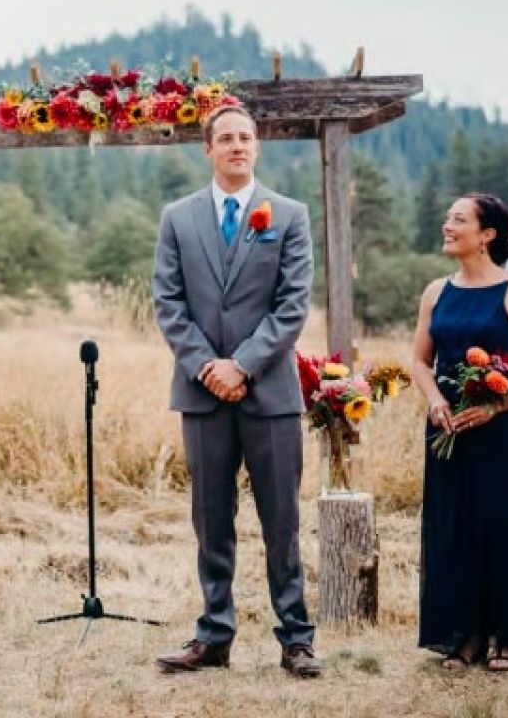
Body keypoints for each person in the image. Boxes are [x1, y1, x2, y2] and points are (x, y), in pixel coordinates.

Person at [151, 104, 320, 678]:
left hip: (270, 392)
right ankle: (214, 635)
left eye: (246, 137)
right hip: (202, 395)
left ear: (258, 146)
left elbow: (293, 304)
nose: (237, 146)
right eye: (226, 138)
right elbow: (168, 304)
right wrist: (207, 367)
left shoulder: (290, 215)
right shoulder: (177, 217)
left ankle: (296, 639)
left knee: (282, 521)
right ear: (208, 149)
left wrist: (242, 365)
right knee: (211, 520)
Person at [412, 193, 508, 672]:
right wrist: (435, 400)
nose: (447, 225)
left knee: (502, 527)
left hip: (500, 432)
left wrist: (495, 407)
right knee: (453, 529)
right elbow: (419, 361)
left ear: (487, 234)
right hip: (446, 428)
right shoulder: (435, 292)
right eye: (448, 217)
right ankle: (464, 633)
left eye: (458, 219)